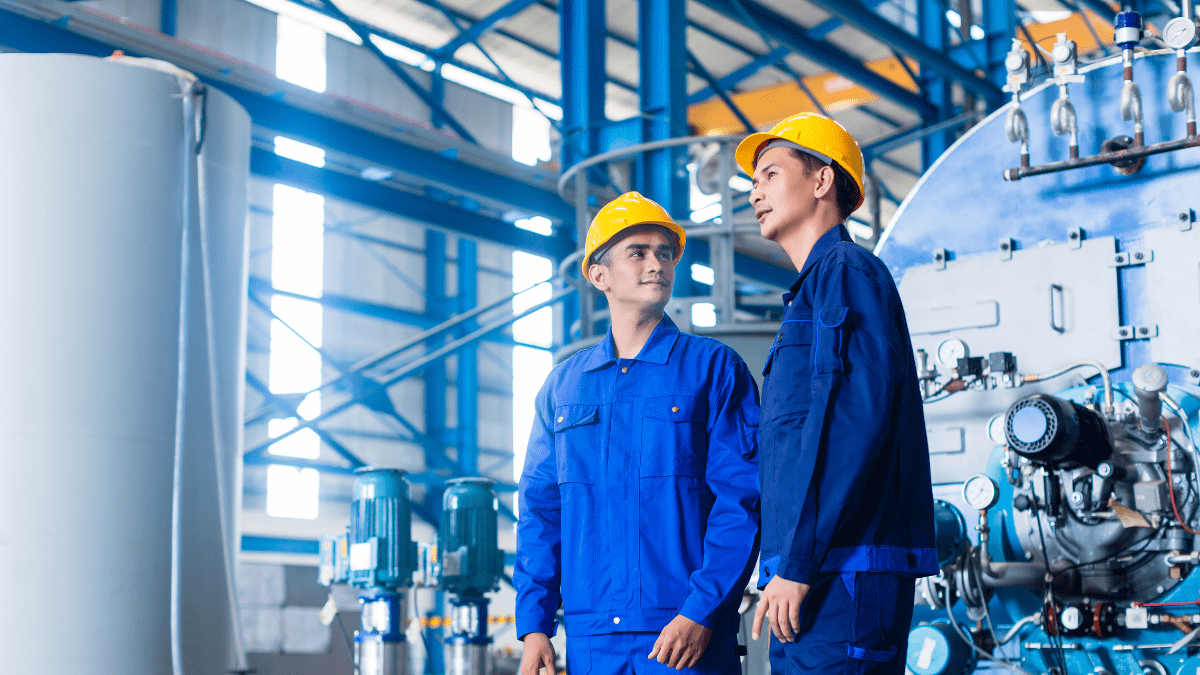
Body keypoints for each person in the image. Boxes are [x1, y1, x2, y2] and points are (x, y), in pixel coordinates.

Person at [514, 191, 761, 675]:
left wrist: (701, 609)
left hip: (683, 636)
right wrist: (535, 627)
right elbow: (541, 513)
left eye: (665, 253)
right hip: (590, 640)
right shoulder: (563, 388)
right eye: (638, 252)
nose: (658, 264)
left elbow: (743, 499)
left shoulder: (712, 369)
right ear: (598, 274)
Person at [735, 113, 938, 675]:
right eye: (754, 181)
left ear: (822, 180)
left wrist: (796, 564)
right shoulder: (813, 290)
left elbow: (853, 420)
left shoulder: (848, 273)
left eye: (770, 174)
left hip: (841, 569)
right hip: (816, 569)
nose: (755, 192)